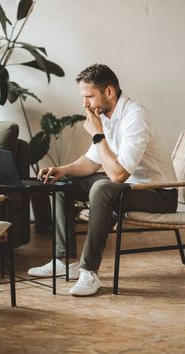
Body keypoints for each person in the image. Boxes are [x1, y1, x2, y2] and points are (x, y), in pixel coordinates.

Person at [28, 63, 178, 296]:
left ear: (109, 91)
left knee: (102, 188)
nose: (84, 104)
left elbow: (118, 175)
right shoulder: (105, 116)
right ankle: (63, 261)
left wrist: (98, 135)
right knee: (63, 183)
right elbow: (91, 162)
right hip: (127, 188)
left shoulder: (135, 116)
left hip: (159, 193)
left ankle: (89, 273)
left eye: (89, 96)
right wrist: (63, 170)